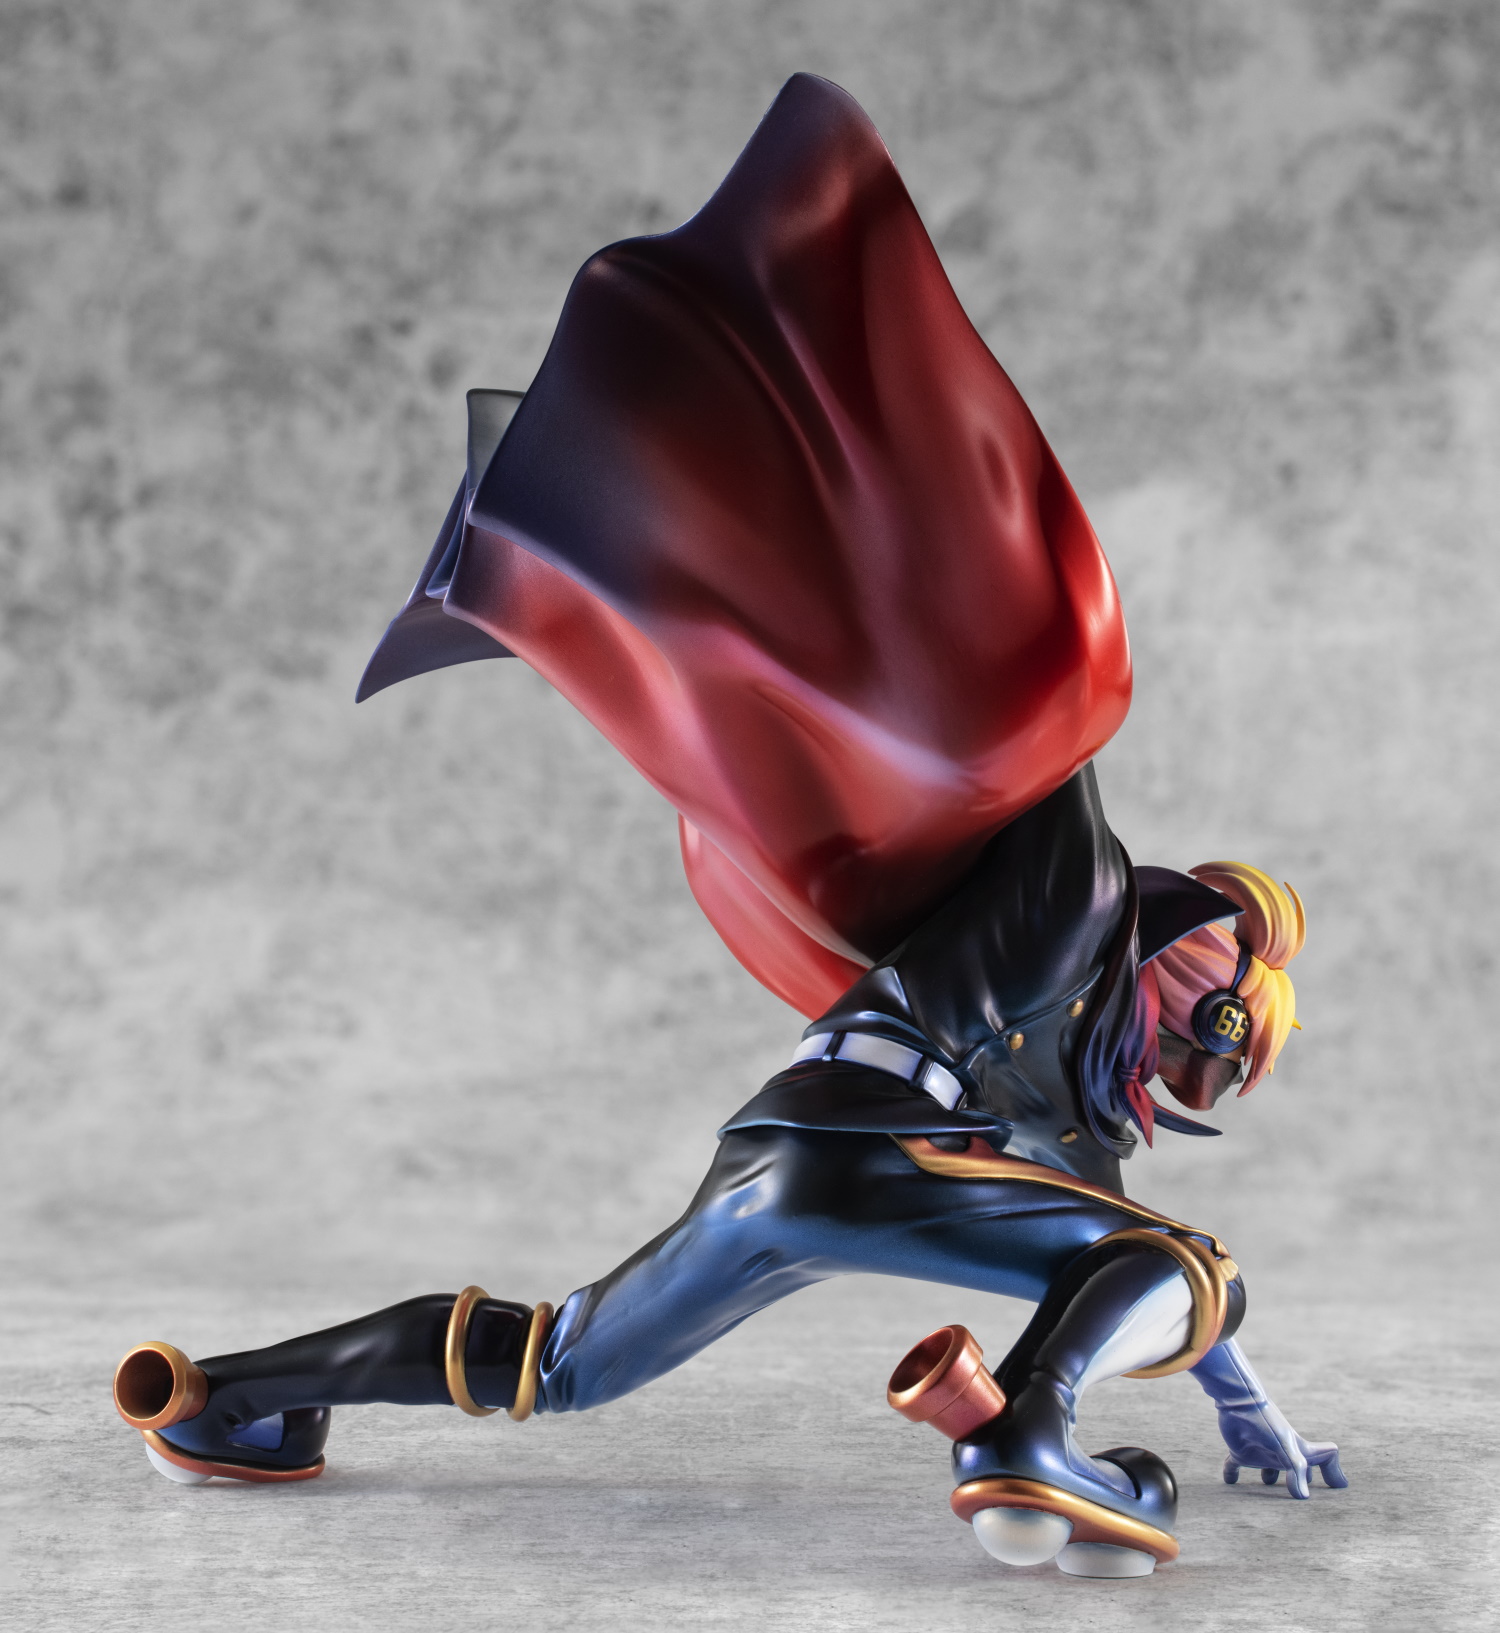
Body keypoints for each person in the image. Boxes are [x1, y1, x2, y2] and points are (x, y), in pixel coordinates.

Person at [112, 73, 1344, 1578]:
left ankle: (225, 1399)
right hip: (882, 1150)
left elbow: (1116, 1245)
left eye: (1211, 1075)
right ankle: (1022, 1440)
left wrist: (1250, 1409)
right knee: (1191, 1268)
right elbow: (1015, 727)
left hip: (781, 1155)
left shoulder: (1063, 1087)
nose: (1187, 1075)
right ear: (1191, 967)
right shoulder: (1068, 882)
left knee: (562, 1358)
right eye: (1213, 1037)